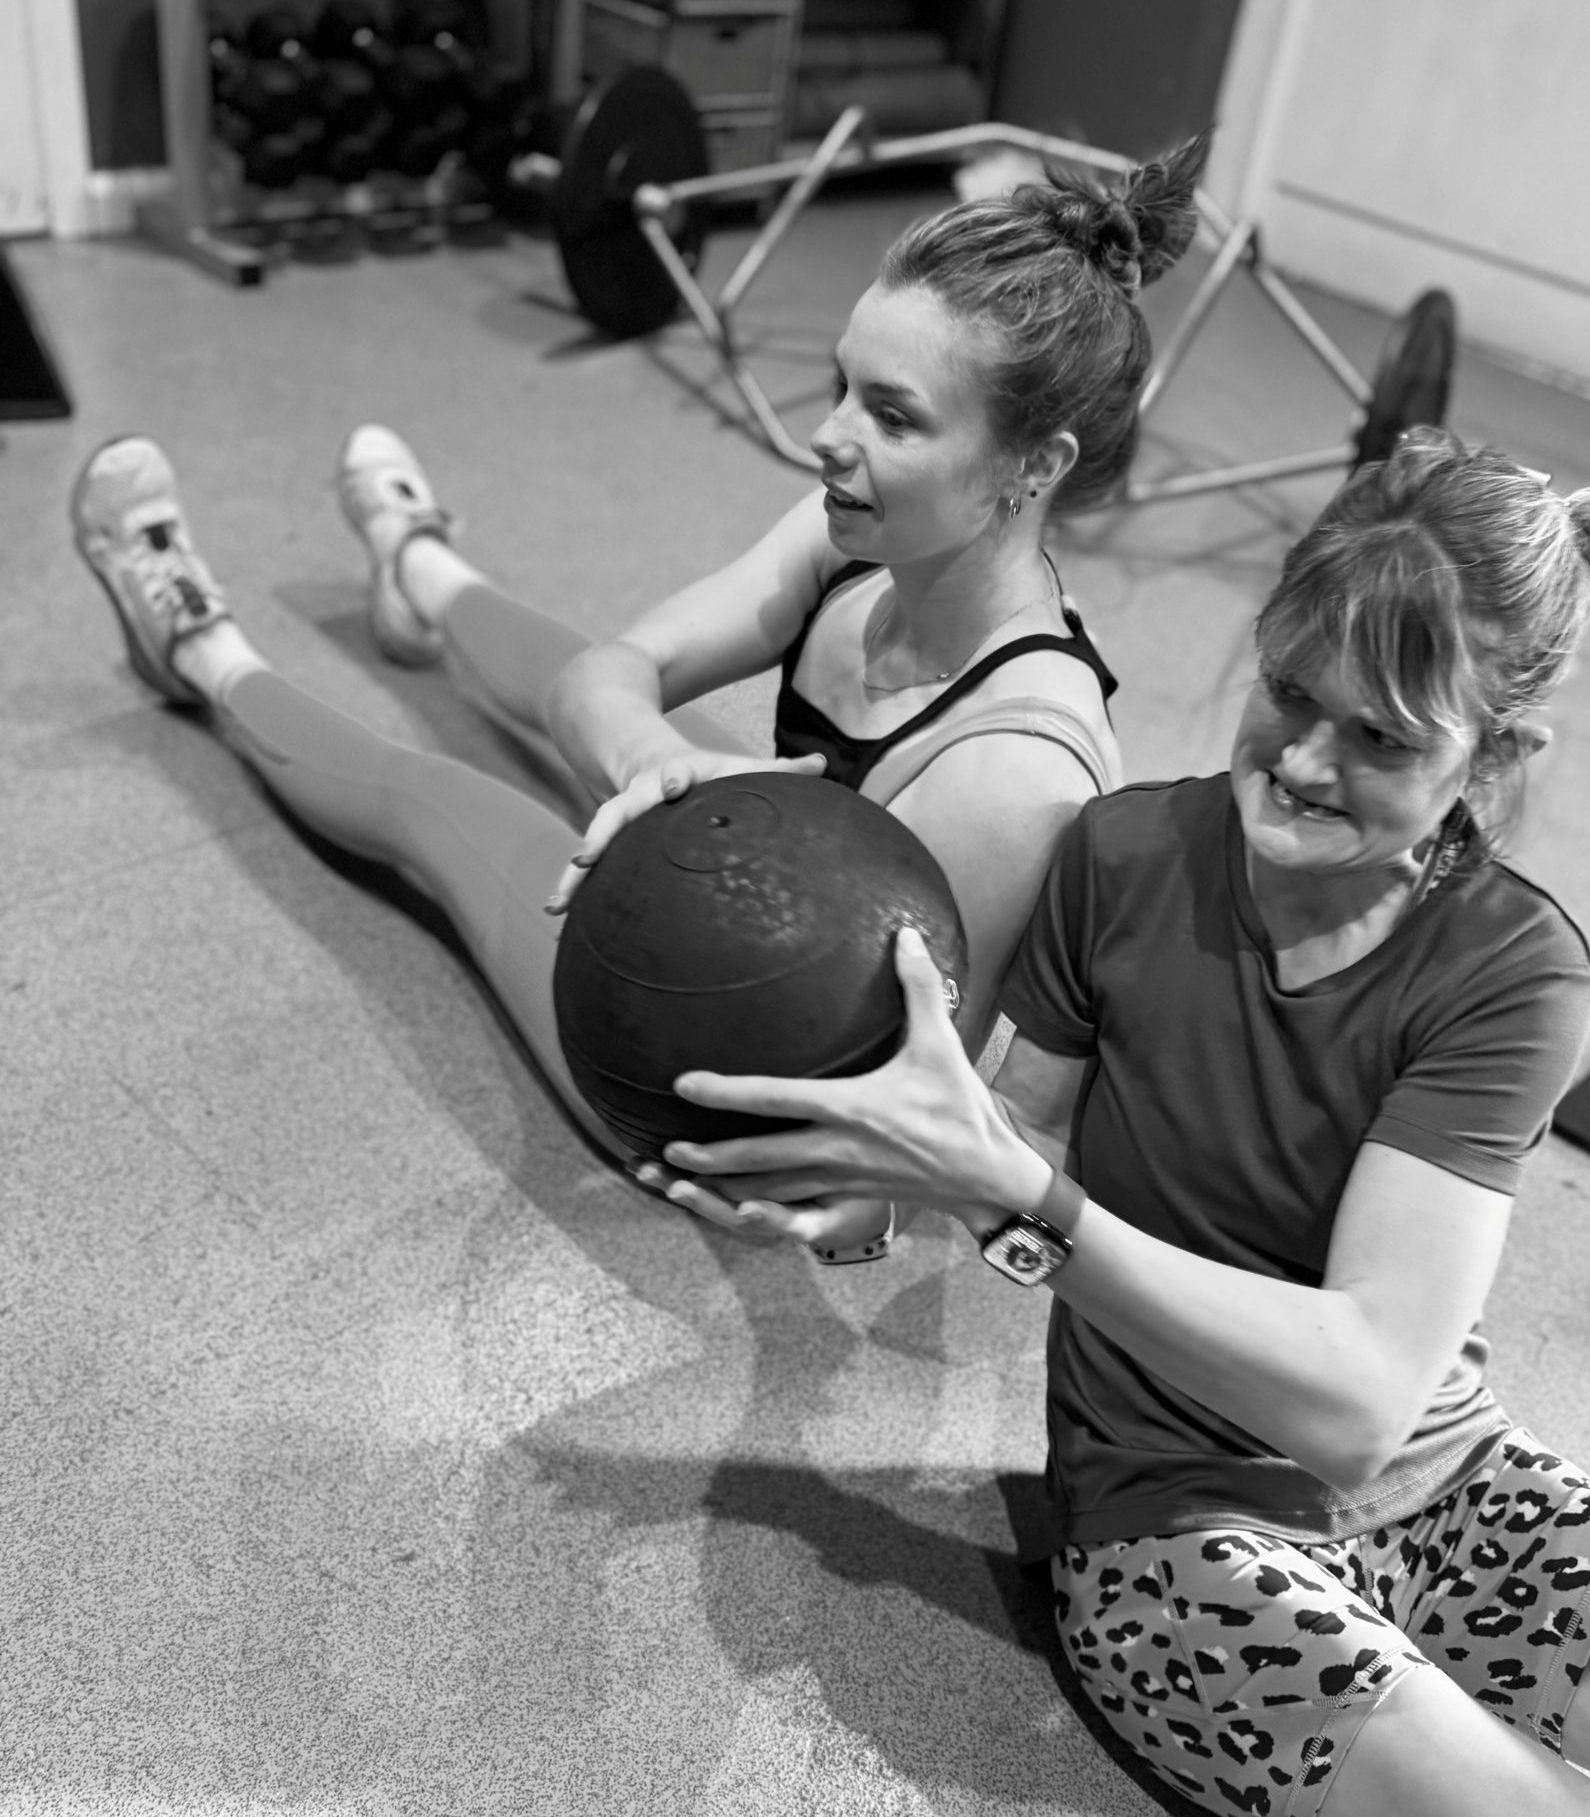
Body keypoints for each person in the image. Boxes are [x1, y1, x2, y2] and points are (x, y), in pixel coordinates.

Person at [653, 429, 1590, 1817]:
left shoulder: (1511, 966)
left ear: (1494, 759)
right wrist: (864, 1186)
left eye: (1381, 738)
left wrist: (1026, 1202)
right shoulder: (1119, 859)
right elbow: (1018, 1145)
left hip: (1445, 1485)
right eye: (1290, 694)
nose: (1306, 761)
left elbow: (1363, 1394)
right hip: (1169, 1544)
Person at [70, 134, 1208, 1255]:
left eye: (893, 416)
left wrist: (851, 1218)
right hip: (764, 886)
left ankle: (196, 646)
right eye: (841, 389)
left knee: (438, 803)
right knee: (594, 674)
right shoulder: (859, 537)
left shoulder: (1014, 778)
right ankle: (423, 574)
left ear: (1037, 466)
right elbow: (602, 675)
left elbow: (911, 1124)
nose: (827, 439)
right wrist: (656, 766)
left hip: (697, 1077)